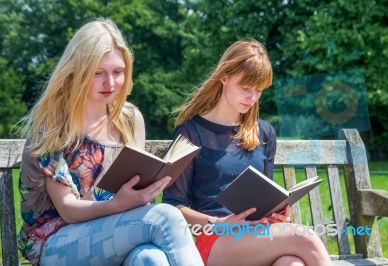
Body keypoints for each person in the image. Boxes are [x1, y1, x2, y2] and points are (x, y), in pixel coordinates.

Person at [17, 18, 203, 266]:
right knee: (166, 217)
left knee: (151, 259)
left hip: (116, 232)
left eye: (118, 72)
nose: (111, 83)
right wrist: (118, 204)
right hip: (57, 243)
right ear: (77, 71)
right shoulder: (52, 124)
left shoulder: (129, 119)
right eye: (98, 73)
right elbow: (68, 209)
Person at [162, 39, 333, 266]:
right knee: (306, 237)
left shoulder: (264, 133)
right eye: (245, 88)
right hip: (217, 239)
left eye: (258, 91)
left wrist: (278, 213)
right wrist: (219, 222)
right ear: (224, 77)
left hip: (260, 236)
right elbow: (173, 206)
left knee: (292, 264)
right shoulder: (191, 133)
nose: (252, 98)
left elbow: (267, 197)